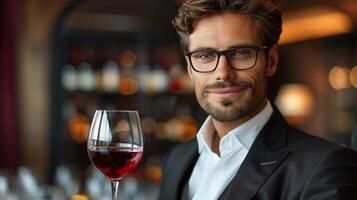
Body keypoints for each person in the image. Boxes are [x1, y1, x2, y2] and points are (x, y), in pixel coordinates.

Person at [158, 0, 357, 199]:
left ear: (271, 61)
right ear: (190, 67)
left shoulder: (327, 166)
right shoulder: (176, 160)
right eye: (205, 55)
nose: (223, 73)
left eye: (241, 53)